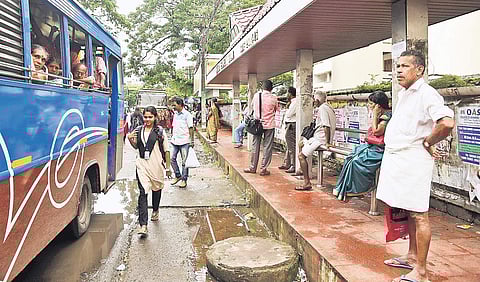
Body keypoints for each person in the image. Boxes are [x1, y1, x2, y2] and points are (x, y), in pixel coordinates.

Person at [377, 50, 455, 282]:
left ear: (419, 69)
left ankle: (421, 271)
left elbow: (447, 123)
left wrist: (428, 141)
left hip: (413, 160)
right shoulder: (406, 93)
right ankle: (411, 256)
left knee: (419, 214)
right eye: (397, 66)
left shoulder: (426, 93)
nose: (398, 70)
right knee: (409, 210)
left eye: (404, 66)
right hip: (399, 159)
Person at [333, 91, 392, 201]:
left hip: (380, 149)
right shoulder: (381, 114)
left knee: (356, 161)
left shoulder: (386, 115)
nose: (369, 106)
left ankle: (361, 188)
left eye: (370, 104)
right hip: (372, 146)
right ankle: (343, 187)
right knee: (350, 158)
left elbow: (377, 131)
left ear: (378, 105)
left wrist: (375, 115)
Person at [126, 106, 171, 237]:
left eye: (150, 117)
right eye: (145, 117)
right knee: (143, 193)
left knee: (156, 190)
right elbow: (137, 147)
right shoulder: (138, 130)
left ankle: (155, 210)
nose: (147, 119)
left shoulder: (160, 132)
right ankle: (143, 225)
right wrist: (130, 140)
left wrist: (168, 168)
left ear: (155, 117)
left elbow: (166, 150)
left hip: (156, 166)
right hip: (141, 166)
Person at [295, 91, 336, 191]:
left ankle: (306, 182)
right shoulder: (329, 108)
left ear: (317, 100)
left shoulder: (322, 109)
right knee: (301, 143)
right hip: (320, 137)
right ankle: (301, 169)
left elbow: (326, 125)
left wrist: (327, 142)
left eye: (314, 100)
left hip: (320, 138)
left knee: (301, 156)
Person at [243, 80, 279, 176]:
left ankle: (252, 167)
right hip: (270, 124)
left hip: (257, 124)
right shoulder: (274, 98)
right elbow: (276, 110)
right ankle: (264, 168)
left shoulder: (256, 96)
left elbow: (252, 107)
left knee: (256, 145)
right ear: (271, 88)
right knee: (267, 147)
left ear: (263, 87)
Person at [170, 97, 194, 188]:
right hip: (175, 141)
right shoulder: (175, 114)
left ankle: (184, 179)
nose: (173, 107)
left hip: (185, 141)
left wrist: (192, 141)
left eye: (174, 105)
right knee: (172, 159)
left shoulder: (187, 115)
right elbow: (174, 126)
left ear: (180, 105)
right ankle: (177, 175)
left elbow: (191, 128)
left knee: (184, 162)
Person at [278, 87, 297, 173]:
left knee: (291, 147)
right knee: (289, 146)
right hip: (289, 125)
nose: (286, 95)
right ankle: (287, 163)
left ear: (290, 93)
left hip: (291, 125)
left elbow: (289, 114)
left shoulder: (295, 102)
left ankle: (293, 165)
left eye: (287, 93)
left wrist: (287, 109)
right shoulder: (292, 103)